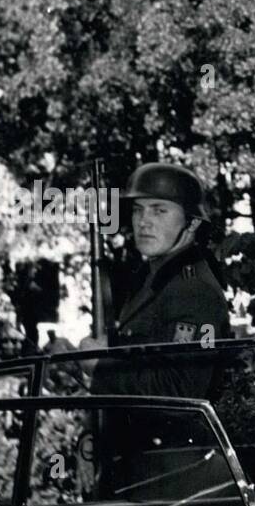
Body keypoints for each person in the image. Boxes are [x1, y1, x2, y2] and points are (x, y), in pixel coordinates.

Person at [81, 161, 230, 398]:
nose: (143, 221)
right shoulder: (152, 278)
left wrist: (101, 367)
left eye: (159, 211)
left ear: (192, 222)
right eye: (138, 210)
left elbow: (182, 390)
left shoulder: (194, 290)